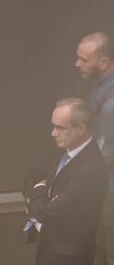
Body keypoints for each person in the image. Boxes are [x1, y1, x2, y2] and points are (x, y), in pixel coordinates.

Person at [22, 98, 108, 265]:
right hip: (49, 243)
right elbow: (30, 177)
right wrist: (42, 194)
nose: (53, 133)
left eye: (60, 128)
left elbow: (48, 213)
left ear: (81, 129)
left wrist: (39, 189)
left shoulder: (91, 170)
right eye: (53, 126)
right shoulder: (60, 149)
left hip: (68, 256)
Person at [76, 32, 114, 265]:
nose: (77, 63)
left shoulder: (111, 103)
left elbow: (106, 155)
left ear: (103, 62)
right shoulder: (101, 88)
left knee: (106, 250)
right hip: (102, 185)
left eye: (83, 59)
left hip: (109, 190)